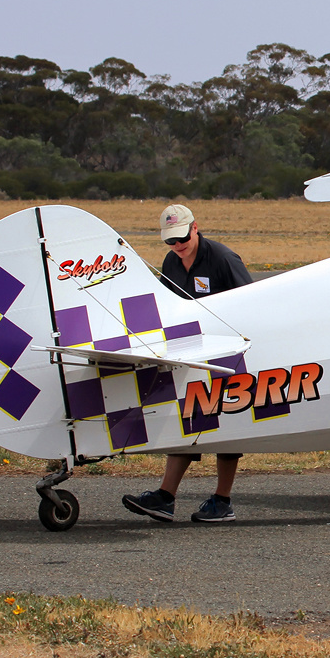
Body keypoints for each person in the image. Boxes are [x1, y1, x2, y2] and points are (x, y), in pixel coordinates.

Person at [122, 204, 253, 524]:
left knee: (227, 427)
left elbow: (252, 301)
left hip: (229, 355)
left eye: (182, 237)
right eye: (170, 241)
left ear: (195, 228)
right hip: (192, 352)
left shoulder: (223, 259)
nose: (177, 246)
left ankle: (223, 501)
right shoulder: (172, 261)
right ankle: (166, 497)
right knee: (187, 417)